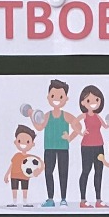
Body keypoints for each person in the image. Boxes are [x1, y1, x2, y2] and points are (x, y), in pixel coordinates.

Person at [32, 79, 75, 207]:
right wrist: (32, 117)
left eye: (60, 97)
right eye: (53, 96)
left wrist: (70, 137)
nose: (56, 99)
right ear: (48, 97)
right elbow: (39, 127)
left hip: (63, 148)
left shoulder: (66, 115)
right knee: (48, 172)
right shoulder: (47, 115)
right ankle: (50, 199)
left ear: (66, 99)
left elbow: (78, 126)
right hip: (49, 148)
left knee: (63, 173)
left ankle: (63, 199)